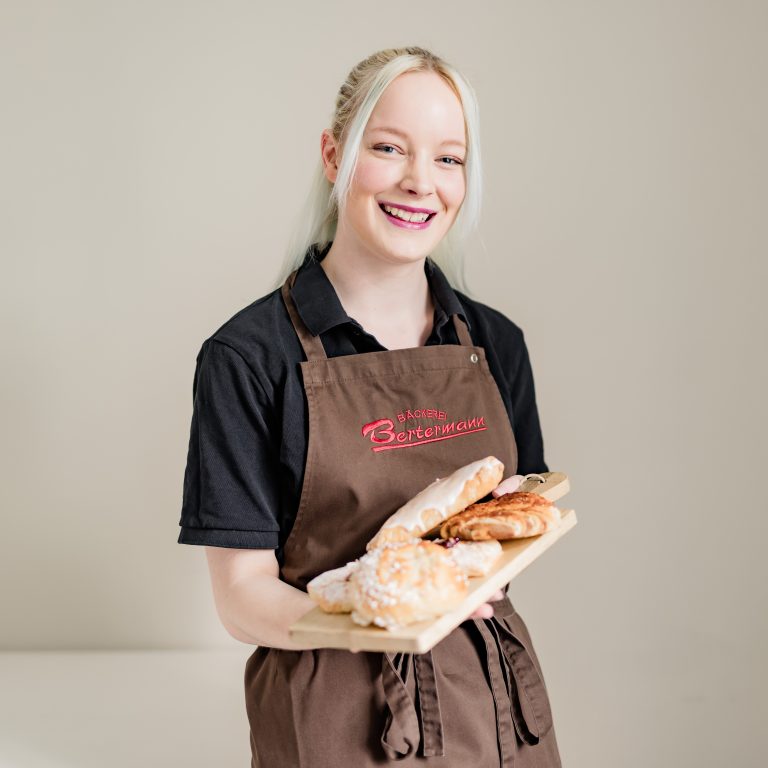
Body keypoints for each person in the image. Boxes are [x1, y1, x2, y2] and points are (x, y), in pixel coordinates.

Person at [178, 46, 562, 767]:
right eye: (389, 149)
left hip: (496, 709)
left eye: (449, 159)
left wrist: (458, 576)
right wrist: (372, 616)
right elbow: (241, 597)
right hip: (335, 718)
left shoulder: (495, 343)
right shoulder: (248, 359)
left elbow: (518, 522)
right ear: (334, 154)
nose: (421, 183)